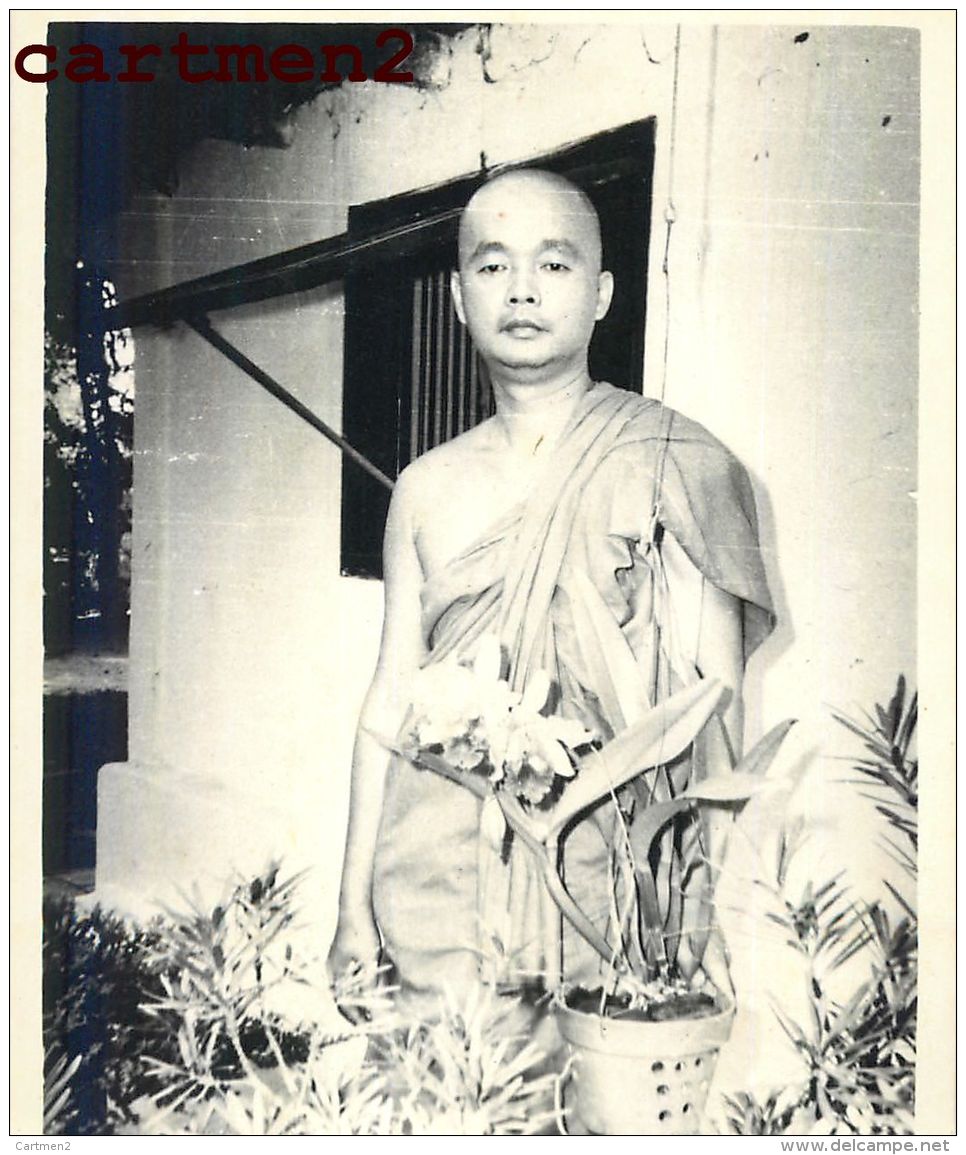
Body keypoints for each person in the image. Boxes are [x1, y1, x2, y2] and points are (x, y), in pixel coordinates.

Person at [326, 168, 773, 1008]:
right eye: (493, 266)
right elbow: (388, 702)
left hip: (605, 896)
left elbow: (716, 719)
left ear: (602, 293)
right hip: (431, 883)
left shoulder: (677, 463)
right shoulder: (425, 485)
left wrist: (697, 916)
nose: (522, 290)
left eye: (554, 265)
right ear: (459, 298)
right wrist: (352, 905)